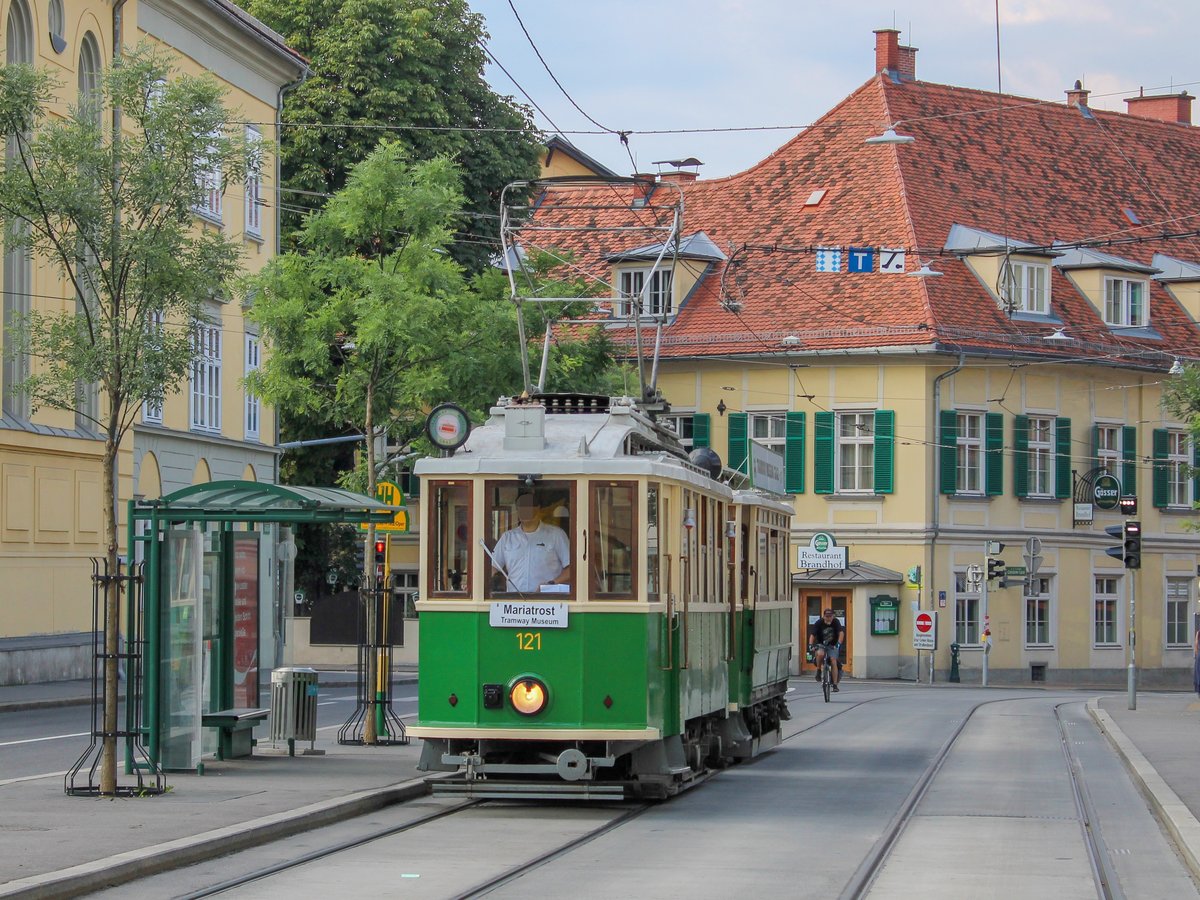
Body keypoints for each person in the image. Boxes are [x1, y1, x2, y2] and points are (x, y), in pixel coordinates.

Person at [491, 492, 571, 593]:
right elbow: (492, 567)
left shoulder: (556, 535)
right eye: (521, 507)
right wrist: (494, 581)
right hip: (514, 602)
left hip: (549, 603)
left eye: (528, 507)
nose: (524, 510)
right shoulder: (507, 538)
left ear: (538, 508)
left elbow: (571, 570)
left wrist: (551, 584)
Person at [808, 608, 846, 691]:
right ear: (823, 616)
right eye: (826, 616)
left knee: (833, 660)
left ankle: (835, 685)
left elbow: (841, 633)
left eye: (830, 616)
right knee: (820, 653)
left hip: (833, 645)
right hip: (821, 644)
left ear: (833, 616)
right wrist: (810, 644)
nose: (828, 618)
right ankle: (818, 670)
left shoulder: (836, 622)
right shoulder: (819, 622)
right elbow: (812, 634)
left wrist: (838, 643)